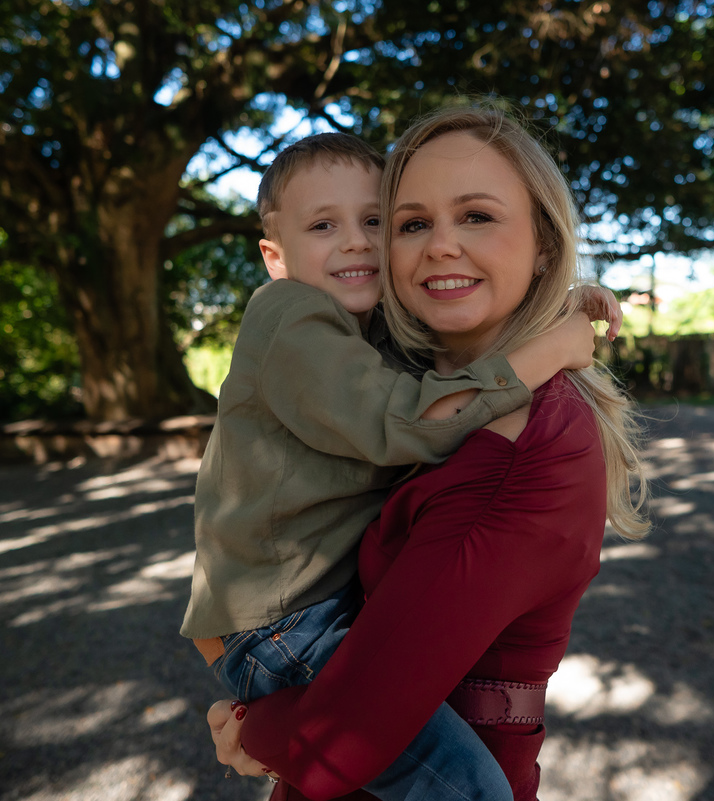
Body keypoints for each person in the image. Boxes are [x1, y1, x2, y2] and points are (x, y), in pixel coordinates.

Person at [208, 105, 651, 801]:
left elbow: (336, 739)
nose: (439, 246)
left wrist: (250, 731)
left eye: (476, 215)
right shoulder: (368, 360)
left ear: (543, 242)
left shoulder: (524, 447)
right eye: (414, 223)